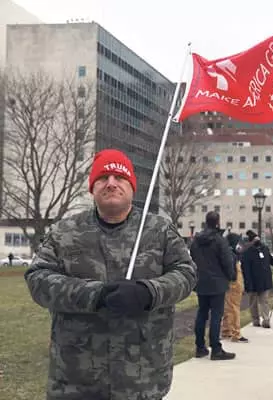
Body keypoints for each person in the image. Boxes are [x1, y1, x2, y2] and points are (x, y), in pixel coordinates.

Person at [24, 149, 197, 400]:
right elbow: (38, 279)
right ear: (92, 188)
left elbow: (186, 273)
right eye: (103, 178)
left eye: (119, 177)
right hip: (76, 378)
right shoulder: (64, 231)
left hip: (142, 376)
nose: (111, 183)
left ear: (132, 187)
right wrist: (96, 294)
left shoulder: (159, 230)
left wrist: (149, 292)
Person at [190, 211, 236, 360]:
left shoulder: (196, 241)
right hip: (217, 282)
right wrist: (231, 276)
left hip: (201, 281)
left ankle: (200, 347)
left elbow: (191, 258)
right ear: (218, 222)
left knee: (202, 313)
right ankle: (216, 348)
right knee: (216, 315)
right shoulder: (219, 240)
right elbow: (227, 261)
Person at [241, 230, 273, 328]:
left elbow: (272, 261)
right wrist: (247, 283)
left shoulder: (265, 249)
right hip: (252, 281)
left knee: (264, 301)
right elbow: (245, 269)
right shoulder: (247, 252)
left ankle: (266, 319)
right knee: (253, 302)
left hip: (264, 280)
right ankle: (255, 320)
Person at [221, 231, 249, 342]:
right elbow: (232, 272)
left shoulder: (230, 253)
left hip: (232, 284)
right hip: (234, 284)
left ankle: (226, 330)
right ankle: (235, 333)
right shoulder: (231, 255)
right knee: (234, 309)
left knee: (229, 308)